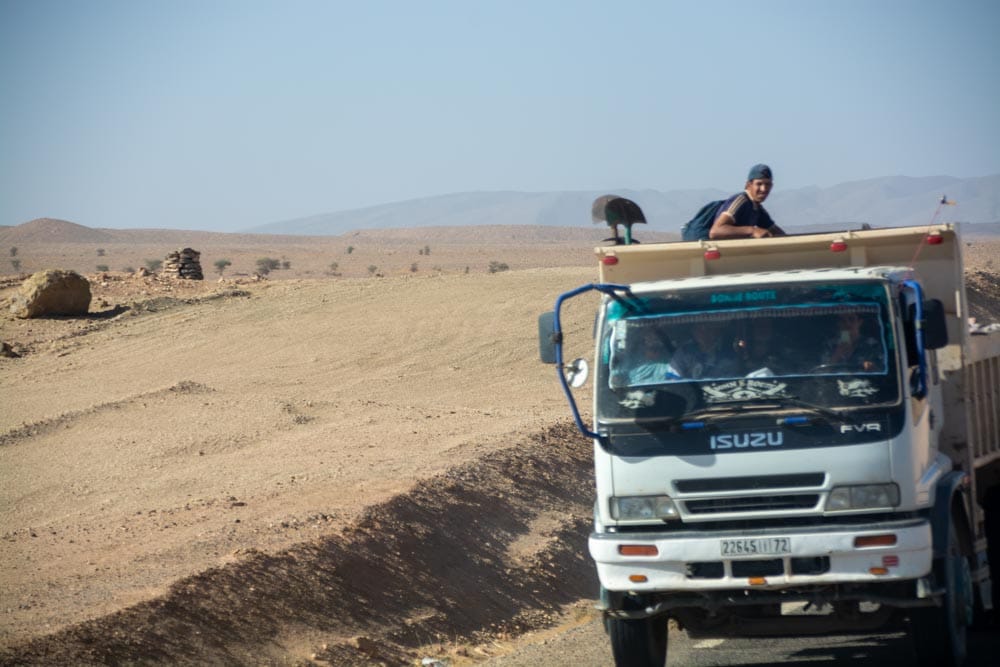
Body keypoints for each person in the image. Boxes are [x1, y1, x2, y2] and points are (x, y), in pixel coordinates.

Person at [681, 164, 787, 241]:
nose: (763, 189)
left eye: (767, 184)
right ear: (748, 185)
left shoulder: (757, 209)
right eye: (759, 184)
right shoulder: (741, 201)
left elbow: (776, 231)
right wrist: (752, 231)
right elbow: (716, 231)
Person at [667, 321, 741, 379]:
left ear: (717, 332)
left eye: (708, 329)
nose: (703, 333)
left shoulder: (729, 356)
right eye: (699, 328)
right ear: (693, 331)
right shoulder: (683, 352)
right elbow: (673, 378)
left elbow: (731, 382)